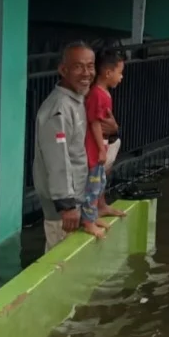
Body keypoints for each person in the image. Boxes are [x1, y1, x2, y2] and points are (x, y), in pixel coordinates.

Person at [33, 42, 95, 252]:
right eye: (78, 67)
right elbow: (57, 159)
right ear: (63, 70)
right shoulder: (59, 108)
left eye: (90, 66)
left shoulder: (75, 101)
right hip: (63, 208)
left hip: (75, 200)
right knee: (60, 262)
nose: (86, 73)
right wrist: (66, 206)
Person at [88, 50, 127, 223]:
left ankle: (100, 208)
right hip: (96, 146)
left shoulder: (103, 93)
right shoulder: (97, 94)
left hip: (103, 142)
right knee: (94, 181)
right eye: (120, 73)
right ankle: (90, 216)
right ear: (108, 72)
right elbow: (95, 123)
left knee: (100, 179)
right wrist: (100, 149)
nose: (121, 77)